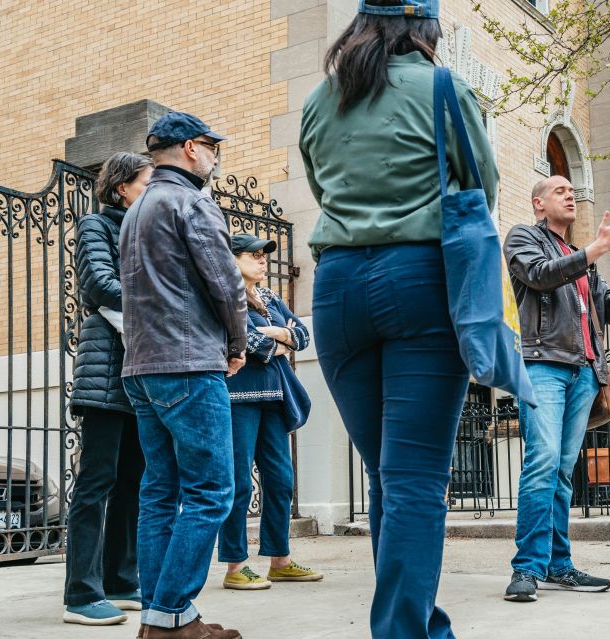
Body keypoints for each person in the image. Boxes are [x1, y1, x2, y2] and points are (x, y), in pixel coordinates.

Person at [300, 1, 498, 636]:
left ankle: (416, 621)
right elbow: (482, 188)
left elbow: (322, 188)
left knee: (389, 471)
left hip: (336, 289)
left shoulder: (317, 100)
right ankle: (402, 632)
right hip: (420, 279)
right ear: (426, 28)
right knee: (413, 479)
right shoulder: (444, 87)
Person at [501, 175, 610, 602]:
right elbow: (540, 277)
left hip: (584, 372)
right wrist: (594, 249)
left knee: (562, 472)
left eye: (571, 189)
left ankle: (559, 566)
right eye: (559, 190)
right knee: (542, 463)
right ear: (539, 203)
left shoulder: (582, 262)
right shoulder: (523, 237)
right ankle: (527, 568)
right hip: (543, 364)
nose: (570, 194)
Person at [119, 112, 247, 639]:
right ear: (192, 148)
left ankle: (161, 616)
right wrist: (238, 342)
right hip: (188, 362)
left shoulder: (136, 209)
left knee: (159, 492)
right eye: (212, 147)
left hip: (143, 365)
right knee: (211, 489)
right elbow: (226, 282)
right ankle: (171, 617)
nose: (216, 155)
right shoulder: (192, 202)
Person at [63, 152, 153, 626]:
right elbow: (99, 284)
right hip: (105, 367)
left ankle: (121, 580)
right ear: (122, 188)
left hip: (141, 367)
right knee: (96, 482)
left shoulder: (145, 231)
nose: (153, 191)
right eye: (146, 183)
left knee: (132, 483)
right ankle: (80, 593)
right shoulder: (96, 226)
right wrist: (159, 300)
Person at [218, 233, 320, 590]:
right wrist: (278, 339)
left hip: (275, 399)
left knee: (281, 480)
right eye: (253, 255)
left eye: (265, 255)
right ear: (232, 259)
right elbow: (247, 344)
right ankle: (235, 565)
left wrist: (278, 335)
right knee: (239, 482)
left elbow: (303, 335)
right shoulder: (224, 296)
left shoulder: (270, 297)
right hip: (238, 400)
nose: (263, 261)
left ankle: (280, 559)